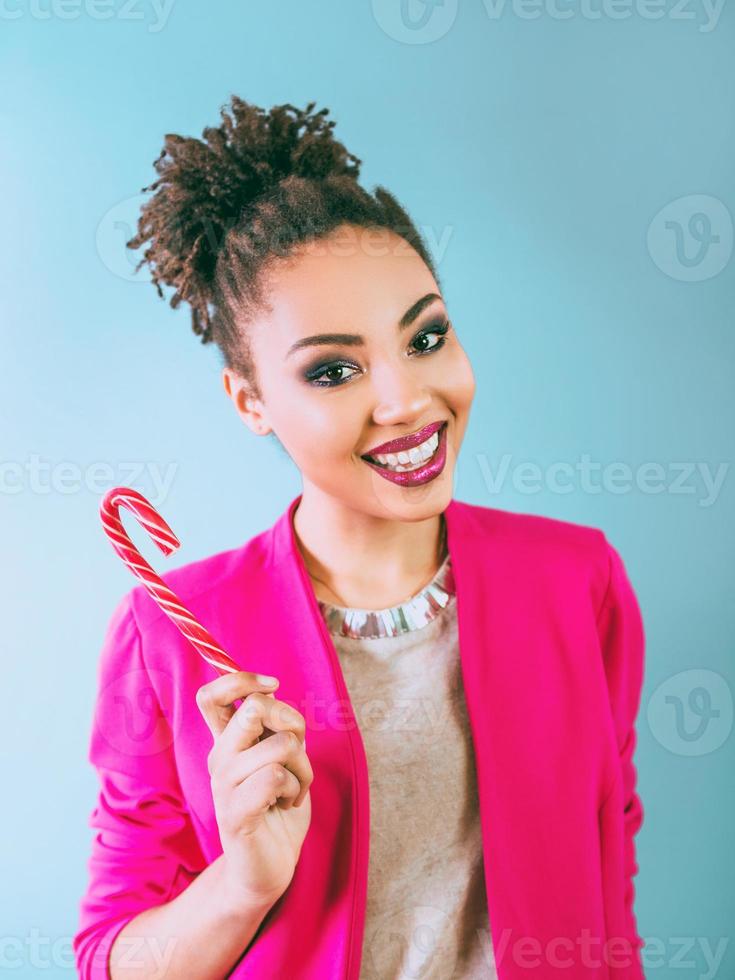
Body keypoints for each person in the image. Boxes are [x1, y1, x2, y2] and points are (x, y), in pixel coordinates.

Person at [73, 96, 646, 980]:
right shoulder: (170, 635)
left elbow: (608, 870)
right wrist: (242, 884)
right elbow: (109, 960)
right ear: (250, 400)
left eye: (426, 338)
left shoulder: (578, 583)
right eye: (333, 370)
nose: (407, 401)